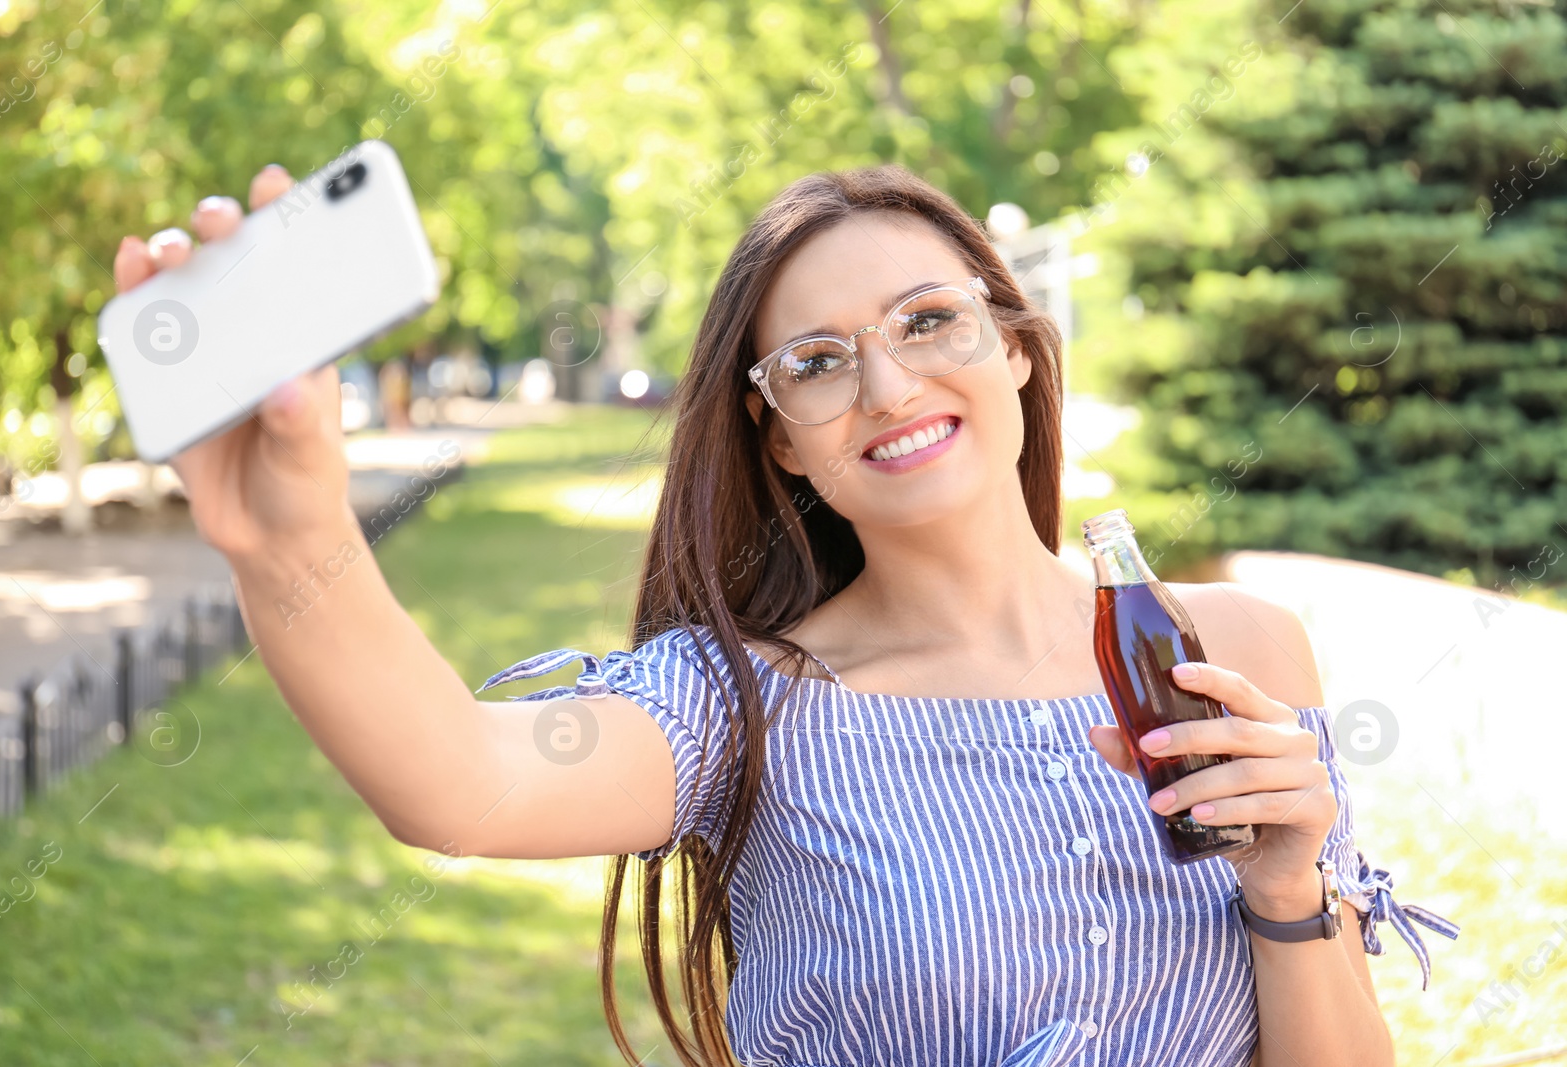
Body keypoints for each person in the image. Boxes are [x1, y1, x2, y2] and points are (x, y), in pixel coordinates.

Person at [113, 163, 1456, 1067]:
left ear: (1019, 352)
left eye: (929, 322)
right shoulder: (745, 702)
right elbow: (462, 782)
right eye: (817, 362)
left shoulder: (1238, 651)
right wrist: (289, 539)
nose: (884, 383)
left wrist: (1290, 891)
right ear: (779, 443)